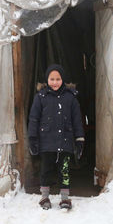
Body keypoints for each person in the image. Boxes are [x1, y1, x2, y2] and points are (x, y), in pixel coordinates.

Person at [28, 64, 85, 210]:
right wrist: (33, 139)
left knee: (64, 170)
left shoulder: (70, 98)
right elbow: (34, 119)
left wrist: (79, 140)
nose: (55, 82)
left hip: (65, 142)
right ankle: (45, 197)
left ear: (63, 79)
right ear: (47, 80)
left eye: (58, 79)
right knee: (45, 170)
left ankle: (65, 199)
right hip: (46, 142)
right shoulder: (41, 97)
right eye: (52, 79)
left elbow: (77, 120)